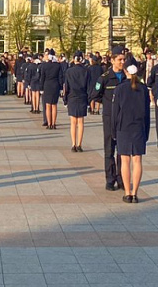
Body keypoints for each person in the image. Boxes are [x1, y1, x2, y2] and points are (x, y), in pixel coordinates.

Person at [112, 63, 151, 203]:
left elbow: (115, 112)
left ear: (125, 71)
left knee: (125, 160)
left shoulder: (120, 88)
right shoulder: (144, 89)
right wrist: (146, 131)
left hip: (123, 127)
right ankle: (135, 193)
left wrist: (113, 131)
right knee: (137, 160)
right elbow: (147, 113)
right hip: (139, 127)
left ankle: (127, 192)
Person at [95, 47, 127, 190]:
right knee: (109, 148)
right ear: (112, 60)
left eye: (124, 59)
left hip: (124, 118)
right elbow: (95, 95)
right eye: (119, 60)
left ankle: (122, 178)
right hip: (109, 117)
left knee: (122, 149)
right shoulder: (105, 77)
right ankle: (110, 178)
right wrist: (109, 104)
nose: (122, 62)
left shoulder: (128, 78)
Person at [63, 51, 93, 152]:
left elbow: (66, 86)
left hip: (72, 96)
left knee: (73, 122)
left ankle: (73, 144)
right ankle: (79, 144)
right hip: (82, 96)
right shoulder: (86, 71)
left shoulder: (69, 71)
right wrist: (89, 102)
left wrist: (65, 99)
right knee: (81, 122)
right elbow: (89, 87)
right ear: (82, 59)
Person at [38, 50, 64, 130]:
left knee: (48, 105)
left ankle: (49, 124)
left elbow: (42, 78)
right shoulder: (58, 65)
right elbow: (60, 77)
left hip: (47, 85)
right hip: (55, 85)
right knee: (54, 105)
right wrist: (61, 88)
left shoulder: (44, 65)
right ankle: (54, 124)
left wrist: (41, 88)